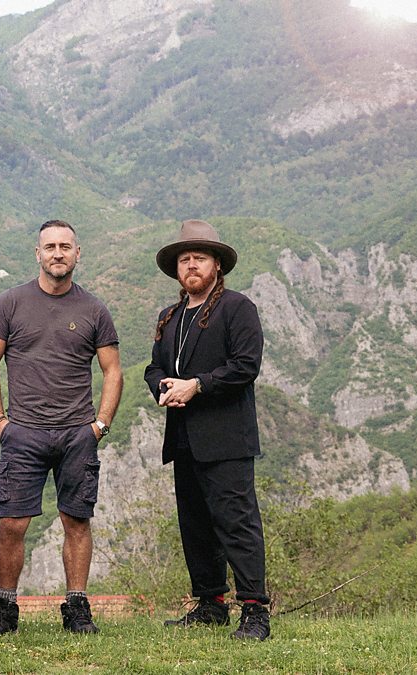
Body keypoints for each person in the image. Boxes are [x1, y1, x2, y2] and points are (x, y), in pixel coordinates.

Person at [0, 219, 123, 636]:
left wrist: (100, 425)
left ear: (78, 254)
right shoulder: (10, 303)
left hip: (78, 433)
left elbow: (113, 371)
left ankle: (77, 608)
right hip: (23, 432)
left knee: (76, 521)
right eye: (51, 246)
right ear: (37, 253)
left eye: (65, 246)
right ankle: (4, 609)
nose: (58, 253)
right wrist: (0, 422)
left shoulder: (94, 309)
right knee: (12, 523)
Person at [144, 219, 271, 641]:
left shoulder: (238, 308)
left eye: (200, 257)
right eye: (184, 259)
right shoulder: (170, 317)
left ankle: (254, 611)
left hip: (227, 440)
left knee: (237, 524)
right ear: (176, 269)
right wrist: (164, 387)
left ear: (217, 265)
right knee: (195, 526)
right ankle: (211, 603)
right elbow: (154, 367)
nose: (191, 265)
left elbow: (246, 366)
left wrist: (197, 385)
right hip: (184, 440)